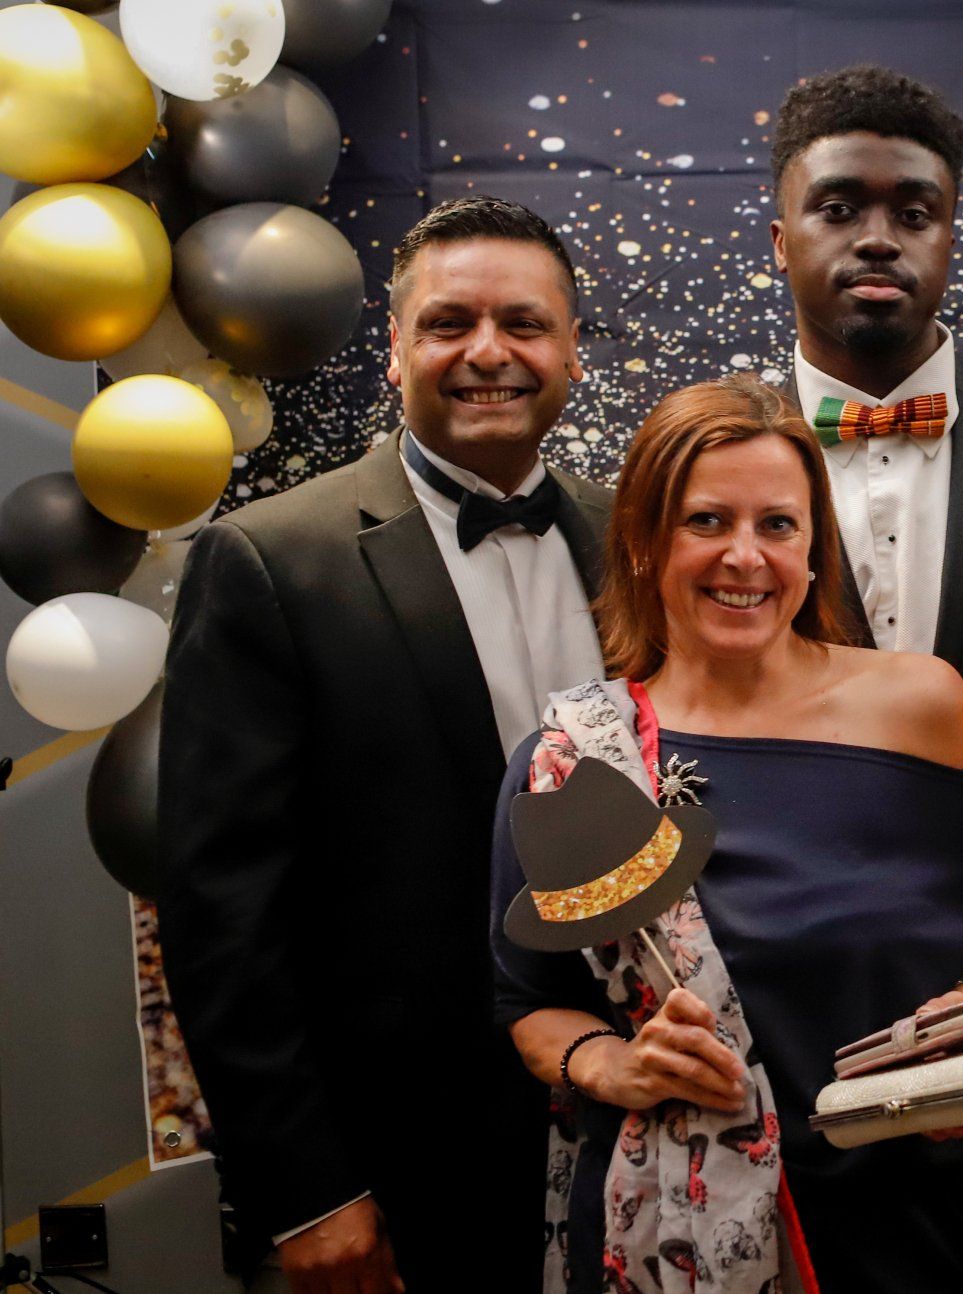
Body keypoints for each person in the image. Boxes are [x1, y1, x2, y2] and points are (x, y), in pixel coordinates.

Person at [159, 196, 611, 1293]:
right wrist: (306, 1188)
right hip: (406, 1165)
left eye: (525, 322)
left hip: (638, 1129)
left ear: (573, 352)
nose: (489, 351)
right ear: (397, 350)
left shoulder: (639, 534)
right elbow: (222, 913)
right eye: (450, 323)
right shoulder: (268, 560)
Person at [490, 375, 963, 1294]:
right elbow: (527, 1003)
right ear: (644, 541)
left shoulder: (923, 706)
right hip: (684, 1234)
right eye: (706, 522)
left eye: (778, 524)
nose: (745, 557)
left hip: (927, 1216)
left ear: (814, 550)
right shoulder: (574, 759)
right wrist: (615, 1065)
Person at [769, 64, 963, 734]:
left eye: (914, 215)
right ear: (782, 244)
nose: (878, 239)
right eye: (838, 210)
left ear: (949, 242)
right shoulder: (720, 458)